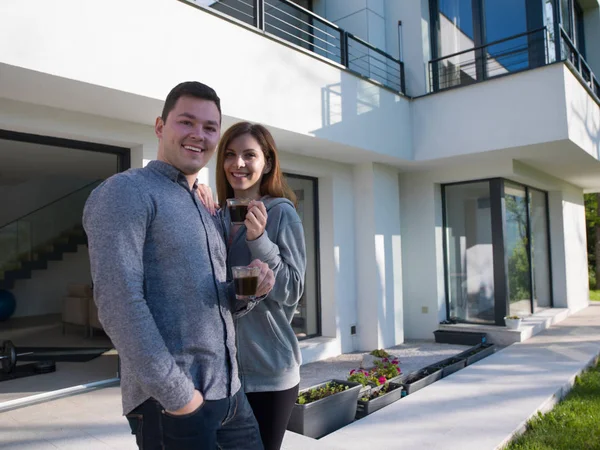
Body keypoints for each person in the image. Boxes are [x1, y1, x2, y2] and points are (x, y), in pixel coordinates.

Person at [83, 82, 273, 450]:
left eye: (209, 128)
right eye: (186, 122)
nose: (198, 135)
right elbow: (118, 303)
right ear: (160, 127)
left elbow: (212, 302)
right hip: (172, 405)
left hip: (231, 394)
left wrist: (251, 294)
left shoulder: (204, 205)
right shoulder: (125, 192)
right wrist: (181, 398)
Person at [198, 122, 306, 450]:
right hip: (220, 376)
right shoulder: (215, 216)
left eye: (249, 155)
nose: (238, 163)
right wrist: (197, 212)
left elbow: (292, 291)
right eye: (230, 155)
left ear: (267, 162)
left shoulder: (281, 213)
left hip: (270, 374)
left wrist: (260, 241)